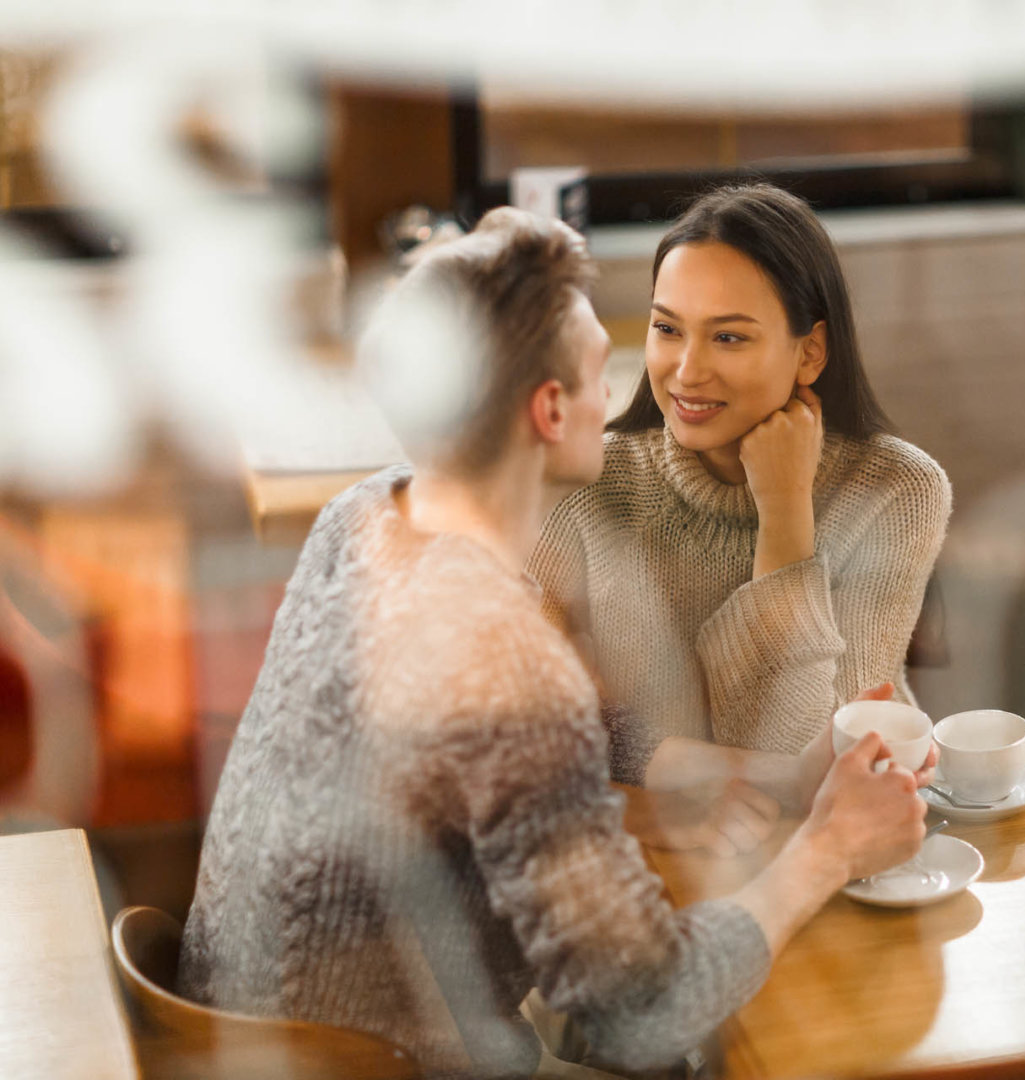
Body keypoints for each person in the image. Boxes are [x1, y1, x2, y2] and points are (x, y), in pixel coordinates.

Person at [178, 209, 932, 1079]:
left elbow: (536, 744)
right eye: (594, 368)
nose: (624, 392)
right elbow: (640, 1013)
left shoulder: (363, 518)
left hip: (234, 1033)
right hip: (380, 1063)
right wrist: (827, 848)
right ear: (549, 409)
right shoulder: (498, 650)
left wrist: (777, 778)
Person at [528, 183, 951, 754]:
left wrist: (784, 515)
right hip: (645, 829)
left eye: (728, 337)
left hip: (847, 826)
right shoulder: (584, 485)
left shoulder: (895, 490)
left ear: (811, 352)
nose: (687, 371)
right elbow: (527, 719)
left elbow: (810, 758)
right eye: (668, 328)